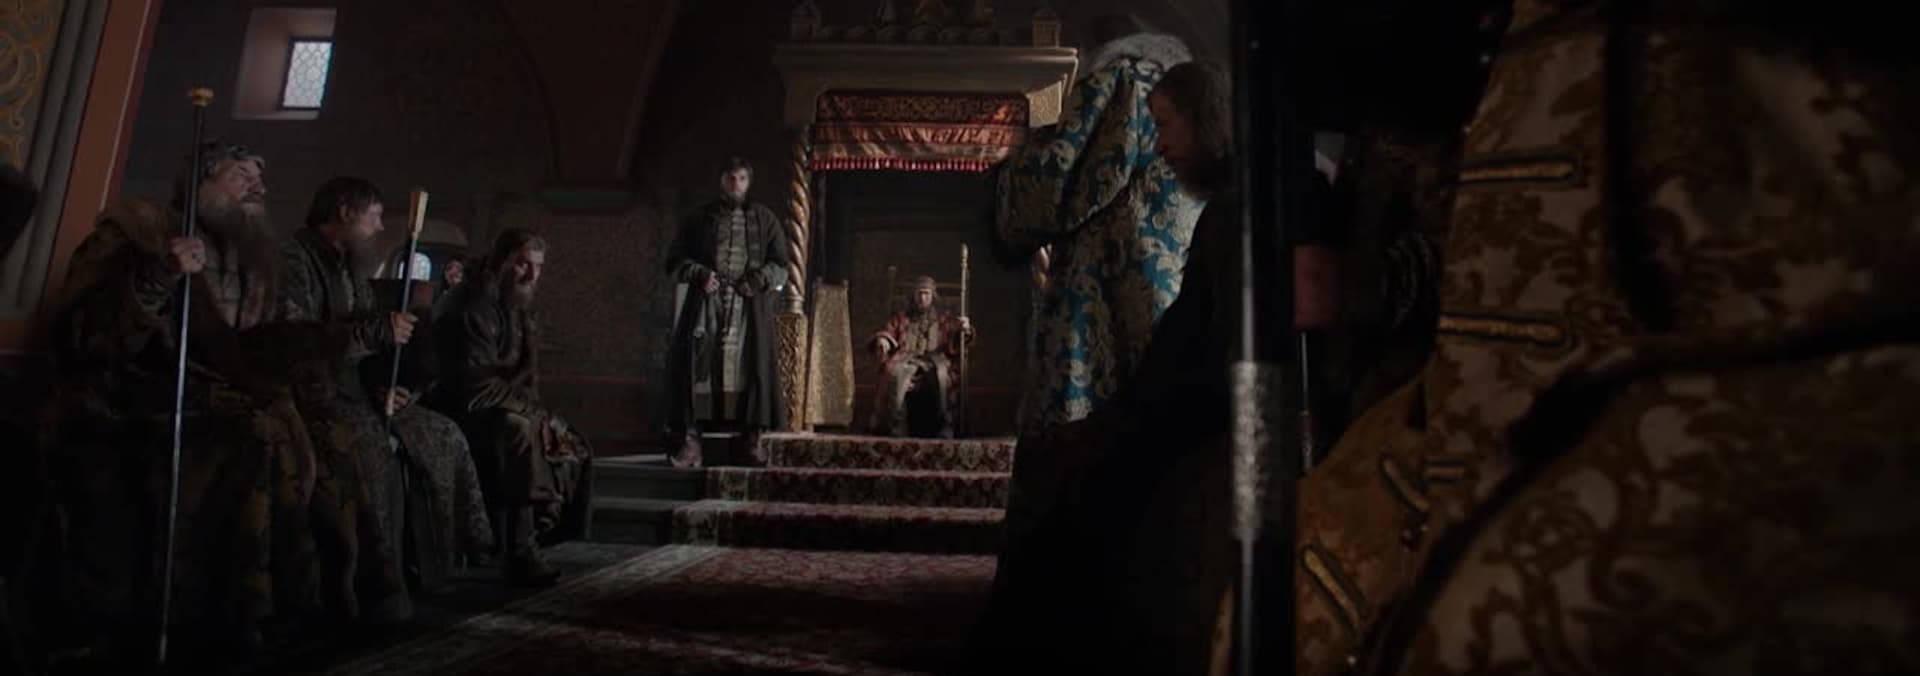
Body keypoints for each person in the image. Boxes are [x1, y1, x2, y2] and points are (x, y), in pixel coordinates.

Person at [42, 142, 409, 661]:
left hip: (233, 390)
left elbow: (269, 342)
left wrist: (341, 347)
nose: (258, 187)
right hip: (143, 394)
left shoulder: (254, 256)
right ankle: (241, 611)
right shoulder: (137, 235)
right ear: (202, 181)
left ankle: (333, 598)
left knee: (332, 433)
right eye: (242, 176)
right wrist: (160, 275)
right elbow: (86, 335)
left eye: (260, 178)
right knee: (258, 433)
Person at [278, 176, 492, 594]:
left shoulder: (350, 266)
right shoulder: (293, 260)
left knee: (443, 433)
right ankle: (374, 580)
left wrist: (386, 387)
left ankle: (436, 562)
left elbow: (369, 346)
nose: (379, 227)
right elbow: (295, 340)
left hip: (354, 391)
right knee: (373, 449)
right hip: (310, 395)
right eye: (374, 216)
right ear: (345, 212)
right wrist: (374, 334)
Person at [430, 228, 592, 587]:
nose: (532, 275)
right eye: (522, 264)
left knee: (569, 438)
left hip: (498, 402)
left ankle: (547, 528)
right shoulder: (470, 306)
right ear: (501, 262)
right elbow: (474, 383)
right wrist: (535, 414)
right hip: (458, 405)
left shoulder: (514, 304)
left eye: (538, 266)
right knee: (520, 432)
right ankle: (521, 549)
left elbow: (520, 376)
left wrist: (543, 416)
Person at [662, 157, 790, 467]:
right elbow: (674, 260)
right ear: (722, 181)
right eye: (731, 178)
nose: (736, 184)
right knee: (699, 368)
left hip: (748, 308)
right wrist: (699, 274)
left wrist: (758, 279)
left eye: (742, 178)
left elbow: (781, 265)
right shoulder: (699, 219)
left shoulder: (765, 219)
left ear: (749, 182)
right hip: (707, 305)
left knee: (750, 368)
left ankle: (751, 441)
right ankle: (691, 443)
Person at [866, 275, 974, 438]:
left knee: (942, 375)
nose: (922, 298)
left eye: (926, 293)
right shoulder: (902, 318)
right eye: (919, 294)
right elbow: (889, 331)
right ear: (914, 296)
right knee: (894, 373)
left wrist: (965, 329)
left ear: (932, 296)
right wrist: (883, 340)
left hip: (935, 360)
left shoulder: (944, 319)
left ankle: (945, 425)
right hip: (906, 359)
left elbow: (960, 338)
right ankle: (897, 424)